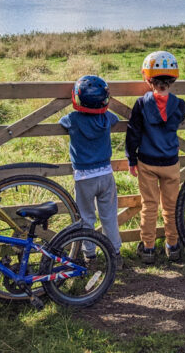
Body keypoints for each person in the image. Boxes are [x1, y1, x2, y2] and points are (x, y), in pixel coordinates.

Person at [126, 50, 185, 264]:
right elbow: (176, 122)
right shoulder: (179, 105)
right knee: (171, 207)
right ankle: (173, 246)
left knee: (149, 206)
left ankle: (149, 249)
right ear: (173, 79)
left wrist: (131, 159)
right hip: (170, 162)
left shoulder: (142, 104)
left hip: (147, 162)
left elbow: (133, 132)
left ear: (147, 78)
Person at [59, 75, 123, 269]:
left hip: (84, 177)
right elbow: (116, 118)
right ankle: (115, 255)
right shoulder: (106, 117)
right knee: (109, 216)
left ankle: (90, 256)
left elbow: (61, 122)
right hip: (105, 174)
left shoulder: (72, 119)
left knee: (86, 217)